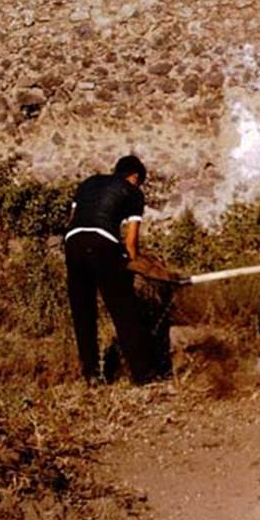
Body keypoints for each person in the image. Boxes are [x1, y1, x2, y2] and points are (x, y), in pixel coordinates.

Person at [65, 155, 155, 385]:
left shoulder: (89, 182)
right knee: (124, 311)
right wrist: (132, 263)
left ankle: (91, 375)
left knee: (83, 313)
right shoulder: (132, 191)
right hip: (103, 243)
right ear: (135, 176)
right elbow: (131, 240)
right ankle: (142, 376)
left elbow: (73, 220)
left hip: (73, 242)